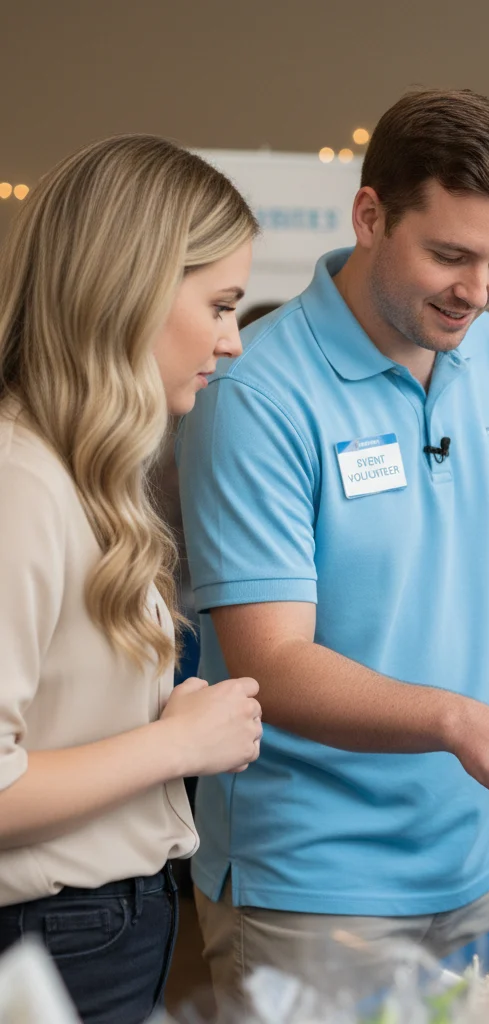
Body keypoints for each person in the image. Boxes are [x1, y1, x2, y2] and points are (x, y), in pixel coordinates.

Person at [175, 89, 489, 1003]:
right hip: (310, 878)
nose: (478, 291)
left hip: (466, 859)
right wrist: (459, 719)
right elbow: (272, 663)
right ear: (370, 216)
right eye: (449, 255)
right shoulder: (256, 393)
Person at [0, 135, 264, 1024]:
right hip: (52, 934)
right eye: (221, 305)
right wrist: (178, 746)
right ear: (135, 287)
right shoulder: (22, 482)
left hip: (100, 927)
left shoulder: (76, 472)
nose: (231, 342)